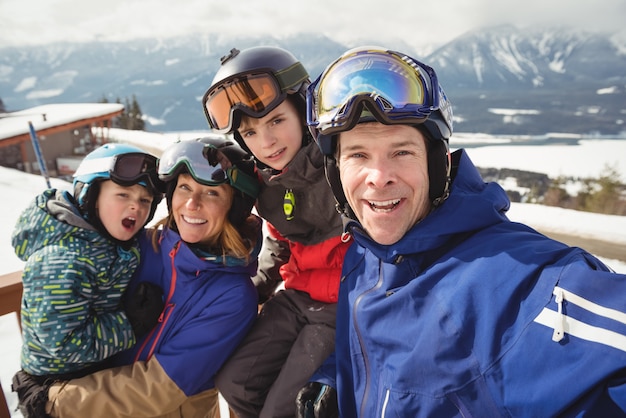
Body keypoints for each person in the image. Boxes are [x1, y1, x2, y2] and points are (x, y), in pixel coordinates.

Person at [296, 46, 626, 417]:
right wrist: (337, 379)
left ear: (437, 164)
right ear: (336, 172)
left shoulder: (510, 280)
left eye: (402, 152)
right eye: (358, 155)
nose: (379, 176)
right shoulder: (364, 254)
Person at [16, 137, 263, 418]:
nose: (192, 204)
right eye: (184, 188)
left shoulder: (232, 296)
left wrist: (56, 401)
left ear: (235, 207)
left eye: (212, 193)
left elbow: (159, 387)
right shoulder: (140, 246)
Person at [202, 46, 351, 417]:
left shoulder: (343, 167)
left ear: (303, 112)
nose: (265, 142)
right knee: (235, 382)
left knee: (283, 410)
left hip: (343, 305)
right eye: (249, 132)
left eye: (276, 121)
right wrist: (256, 289)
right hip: (297, 297)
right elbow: (279, 242)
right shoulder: (269, 184)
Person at [10, 143, 165, 416]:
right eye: (123, 194)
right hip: (57, 389)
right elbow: (62, 345)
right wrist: (130, 324)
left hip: (88, 375)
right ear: (89, 196)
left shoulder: (108, 241)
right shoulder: (62, 260)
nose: (135, 206)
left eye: (145, 200)